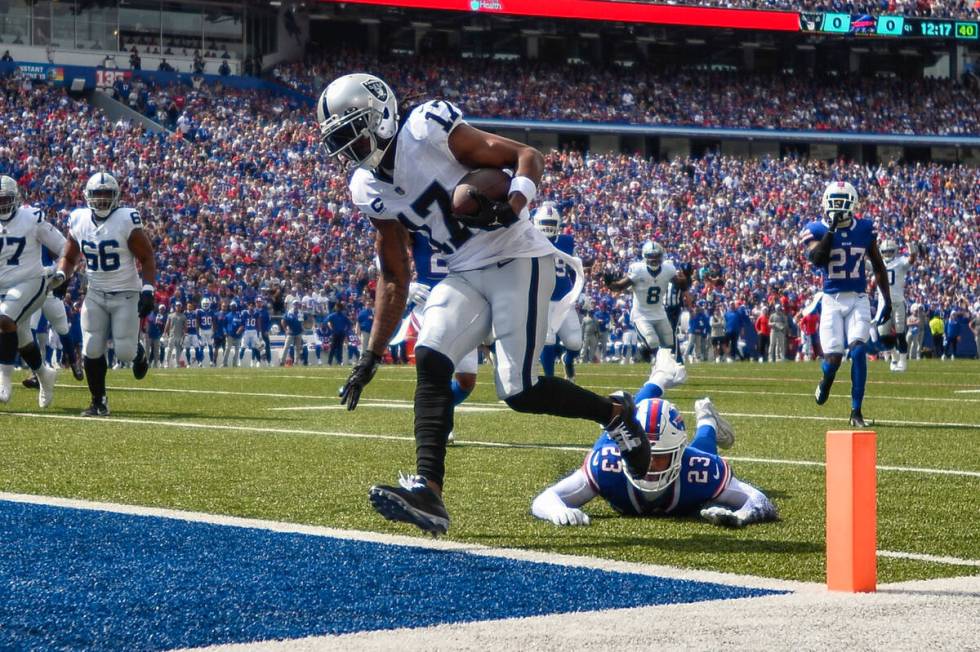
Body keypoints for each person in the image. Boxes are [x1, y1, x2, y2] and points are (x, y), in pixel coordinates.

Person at [319, 73, 647, 535]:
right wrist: (371, 355)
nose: (351, 147)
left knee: (520, 390)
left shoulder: (425, 127)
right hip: (463, 269)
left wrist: (513, 204)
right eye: (341, 140)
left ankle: (615, 415)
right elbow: (395, 276)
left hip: (516, 254)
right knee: (431, 356)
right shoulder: (368, 188)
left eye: (354, 132)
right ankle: (429, 492)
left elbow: (524, 157)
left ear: (381, 115)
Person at [531, 351, 777, 528]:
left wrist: (740, 517)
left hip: (687, 465)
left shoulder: (698, 468)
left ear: (678, 453)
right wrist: (557, 511)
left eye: (658, 459)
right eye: (642, 455)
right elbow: (544, 500)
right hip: (628, 447)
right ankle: (663, 379)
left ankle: (705, 418)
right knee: (621, 421)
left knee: (704, 452)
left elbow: (760, 500)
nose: (646, 466)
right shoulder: (607, 463)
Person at [53, 173, 155, 416]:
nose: (101, 199)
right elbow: (69, 256)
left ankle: (138, 351)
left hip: (126, 293)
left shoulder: (125, 219)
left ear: (116, 196)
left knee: (124, 352)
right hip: (96, 292)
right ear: (88, 196)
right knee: (92, 347)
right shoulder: (78, 219)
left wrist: (148, 289)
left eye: (106, 194)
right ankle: (98, 401)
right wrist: (61, 276)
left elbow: (147, 256)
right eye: (97, 194)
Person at [800, 181, 891, 427]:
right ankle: (826, 380)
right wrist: (831, 230)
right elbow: (818, 259)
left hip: (858, 298)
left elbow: (879, 265)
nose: (839, 209)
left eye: (843, 204)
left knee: (859, 350)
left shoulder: (864, 228)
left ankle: (856, 411)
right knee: (833, 360)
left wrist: (887, 300)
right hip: (831, 300)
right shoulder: (816, 228)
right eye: (835, 204)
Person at [0, 175, 65, 408]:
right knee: (22, 337)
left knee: (5, 319)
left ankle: (4, 377)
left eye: (5, 199)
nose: (1, 204)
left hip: (32, 282)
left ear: (15, 199)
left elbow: (63, 247)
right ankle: (44, 374)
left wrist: (62, 273)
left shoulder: (31, 217)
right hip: (4, 289)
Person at [604, 241, 687, 365]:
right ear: (645, 256)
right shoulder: (638, 270)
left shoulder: (668, 269)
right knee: (652, 341)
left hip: (660, 312)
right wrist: (610, 284)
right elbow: (620, 286)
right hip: (641, 314)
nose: (654, 259)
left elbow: (681, 285)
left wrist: (687, 277)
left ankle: (663, 365)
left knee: (669, 342)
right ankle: (647, 354)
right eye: (651, 256)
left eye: (656, 256)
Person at [533, 203, 583, 382]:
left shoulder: (566, 241)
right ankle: (550, 379)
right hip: (542, 299)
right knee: (547, 340)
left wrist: (579, 291)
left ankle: (567, 360)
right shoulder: (528, 240)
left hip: (564, 299)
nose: (548, 225)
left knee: (575, 343)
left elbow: (575, 268)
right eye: (545, 221)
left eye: (551, 222)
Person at [874, 239, 924, 372]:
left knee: (901, 332)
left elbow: (912, 259)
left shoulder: (900, 261)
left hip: (898, 302)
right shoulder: (878, 263)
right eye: (885, 251)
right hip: (883, 303)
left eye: (890, 251)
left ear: (895, 251)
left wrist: (911, 246)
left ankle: (903, 362)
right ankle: (894, 357)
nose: (888, 253)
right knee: (882, 333)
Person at [325, 302, 352, 366]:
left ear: (340, 308)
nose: (337, 308)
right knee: (333, 348)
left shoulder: (344, 316)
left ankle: (340, 362)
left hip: (341, 334)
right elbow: (327, 321)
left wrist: (346, 330)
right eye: (336, 307)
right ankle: (329, 362)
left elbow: (349, 324)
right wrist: (330, 326)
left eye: (338, 307)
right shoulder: (332, 315)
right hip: (335, 333)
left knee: (340, 348)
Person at [280, 300, 304, 366]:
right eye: (295, 304)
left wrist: (302, 328)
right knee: (286, 347)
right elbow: (283, 321)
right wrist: (285, 330)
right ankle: (282, 361)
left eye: (297, 304)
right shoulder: (289, 312)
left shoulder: (301, 312)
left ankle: (296, 363)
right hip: (291, 332)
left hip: (298, 332)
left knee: (297, 348)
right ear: (293, 305)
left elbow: (302, 321)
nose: (296, 305)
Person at [164, 301, 186, 368]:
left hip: (179, 335)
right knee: (169, 350)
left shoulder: (183, 316)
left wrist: (184, 335)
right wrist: (164, 333)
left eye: (179, 306)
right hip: (172, 335)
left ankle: (177, 363)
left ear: (181, 307)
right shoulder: (170, 315)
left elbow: (185, 327)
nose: (178, 307)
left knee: (178, 350)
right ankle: (167, 363)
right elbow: (167, 325)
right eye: (177, 306)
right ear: (175, 307)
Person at [221, 301, 243, 367]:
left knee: (237, 350)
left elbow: (243, 324)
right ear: (230, 307)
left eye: (234, 306)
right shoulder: (227, 316)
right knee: (227, 349)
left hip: (238, 336)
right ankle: (224, 363)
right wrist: (225, 332)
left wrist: (240, 329)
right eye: (232, 306)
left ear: (236, 307)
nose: (233, 307)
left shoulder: (240, 315)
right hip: (230, 335)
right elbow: (224, 325)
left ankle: (235, 364)